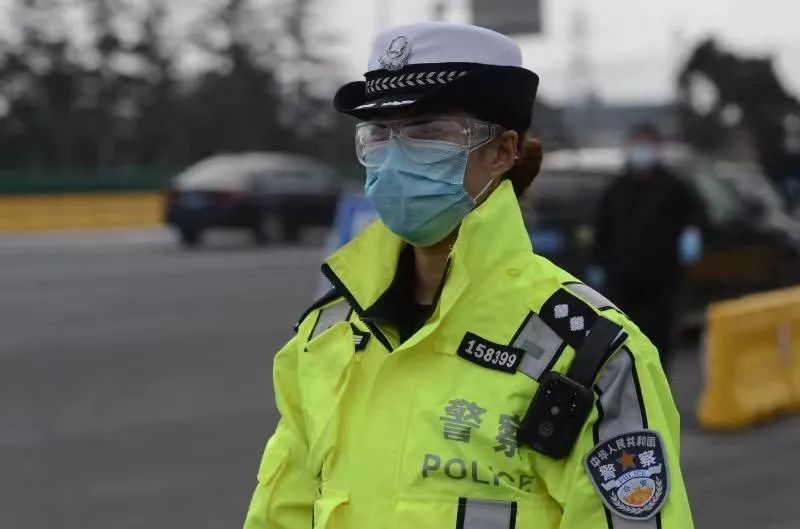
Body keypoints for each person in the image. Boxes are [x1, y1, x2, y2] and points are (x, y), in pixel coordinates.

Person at [244, 23, 693, 529]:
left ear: (502, 151)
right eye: (378, 134)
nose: (394, 157)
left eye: (427, 132)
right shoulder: (329, 331)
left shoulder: (592, 355)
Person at [592, 124, 705, 373]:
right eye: (637, 145)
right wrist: (597, 264)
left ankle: (656, 394)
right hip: (620, 282)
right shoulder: (616, 189)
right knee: (622, 344)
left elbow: (697, 215)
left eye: (647, 145)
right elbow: (601, 230)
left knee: (657, 343)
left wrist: (692, 234)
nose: (642, 151)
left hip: (660, 282)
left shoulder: (674, 187)